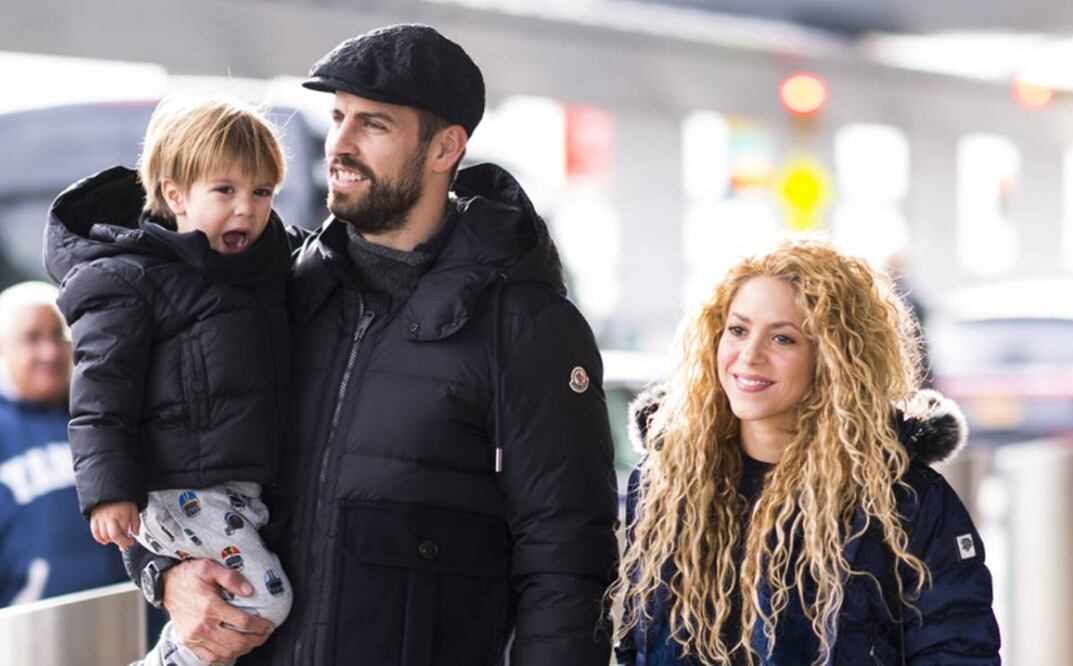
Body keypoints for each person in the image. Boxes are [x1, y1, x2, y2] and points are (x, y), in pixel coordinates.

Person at [133, 23, 619, 666]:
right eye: (338, 117)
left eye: (374, 124)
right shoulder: (273, 290)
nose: (340, 143)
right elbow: (152, 449)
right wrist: (162, 575)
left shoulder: (528, 327)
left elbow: (567, 568)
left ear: (446, 147)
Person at [610, 241, 1000, 665]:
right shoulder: (666, 481)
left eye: (783, 338)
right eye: (737, 330)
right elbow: (638, 645)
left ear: (832, 360)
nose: (750, 355)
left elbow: (957, 651)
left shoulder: (903, 500)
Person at [43, 97, 294, 666]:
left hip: (237, 489)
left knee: (246, 601)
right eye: (225, 191)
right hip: (180, 490)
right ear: (176, 195)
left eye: (262, 193)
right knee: (266, 600)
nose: (247, 210)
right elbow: (100, 393)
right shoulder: (128, 279)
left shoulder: (263, 274)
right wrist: (109, 492)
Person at [0, 281, 127, 606]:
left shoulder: (105, 416)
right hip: (30, 639)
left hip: (130, 622)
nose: (50, 352)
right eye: (32, 339)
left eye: (58, 336)